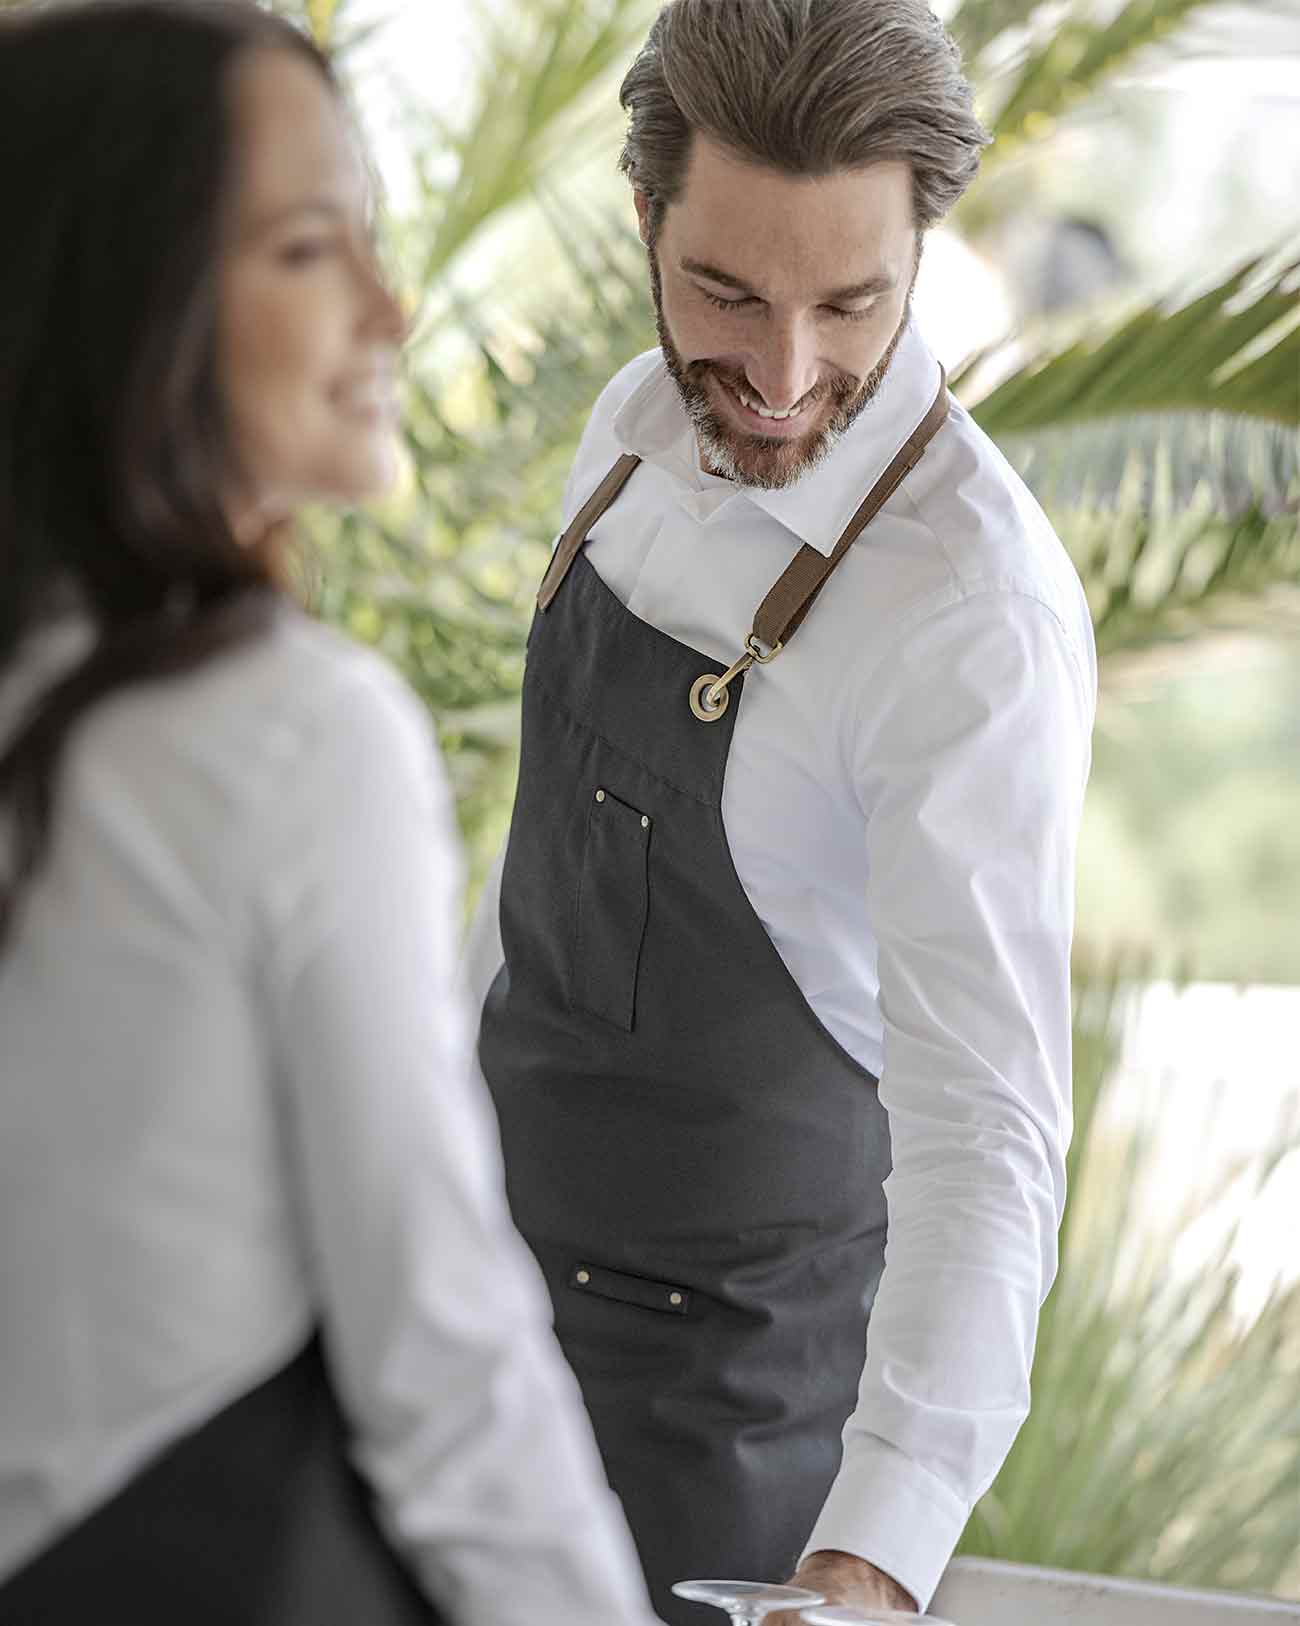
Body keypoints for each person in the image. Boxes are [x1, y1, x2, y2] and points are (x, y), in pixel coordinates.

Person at [0, 6, 660, 1625]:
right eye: (310, 248)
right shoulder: (294, 737)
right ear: (133, 296)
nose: (390, 303)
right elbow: (442, 1363)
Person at [463, 1, 1098, 1621]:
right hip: (469, 1347)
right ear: (645, 221)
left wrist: (870, 1560)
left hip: (720, 1449)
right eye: (723, 293)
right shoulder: (625, 431)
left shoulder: (971, 611)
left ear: (924, 248)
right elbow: (535, 908)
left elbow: (989, 1132)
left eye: (852, 302)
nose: (780, 375)